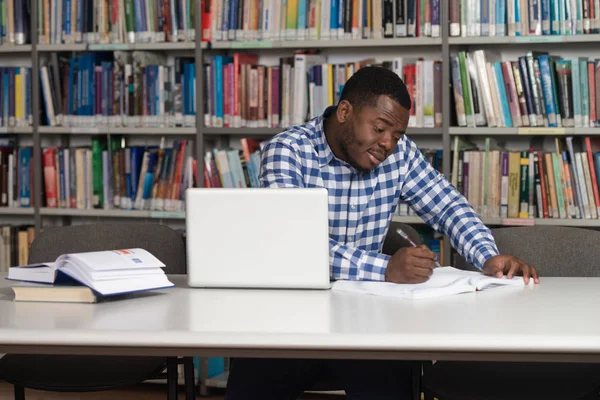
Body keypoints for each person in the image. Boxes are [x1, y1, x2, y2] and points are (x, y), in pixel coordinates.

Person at [224, 66, 540, 399]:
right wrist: (385, 268)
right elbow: (292, 245)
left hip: (366, 320)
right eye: (379, 128)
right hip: (289, 320)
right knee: (252, 381)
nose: (388, 143)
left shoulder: (398, 154)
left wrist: (486, 255)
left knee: (394, 378)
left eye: (397, 135)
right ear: (345, 112)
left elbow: (447, 206)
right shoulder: (287, 152)